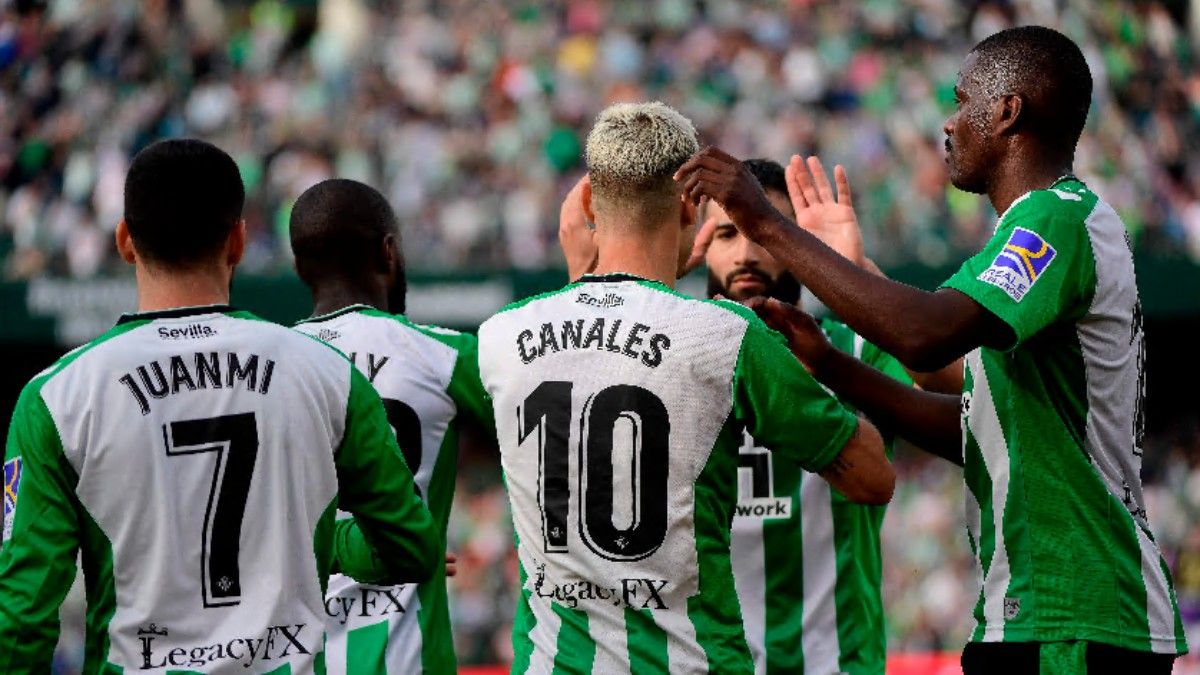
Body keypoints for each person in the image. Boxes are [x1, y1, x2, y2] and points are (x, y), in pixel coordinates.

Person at [677, 25, 1188, 673]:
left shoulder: (1056, 218)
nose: (947, 124)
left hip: (1079, 609)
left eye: (961, 100)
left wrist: (768, 225)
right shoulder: (1032, 231)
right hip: (1033, 610)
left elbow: (926, 332)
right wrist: (833, 356)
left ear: (1006, 112)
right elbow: (970, 415)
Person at [479, 101, 894, 674]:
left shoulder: (499, 336)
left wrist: (581, 279)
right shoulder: (725, 337)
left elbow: (588, 361)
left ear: (587, 205)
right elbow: (875, 477)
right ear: (689, 206)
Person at [0, 139, 440, 673]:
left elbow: (22, 616)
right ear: (237, 240)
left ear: (124, 241)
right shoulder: (326, 374)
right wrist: (327, 540)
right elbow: (412, 548)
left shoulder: (56, 397)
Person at [290, 178, 495, 674]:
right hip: (410, 661)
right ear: (387, 253)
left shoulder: (266, 372)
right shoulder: (443, 356)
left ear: (299, 268)